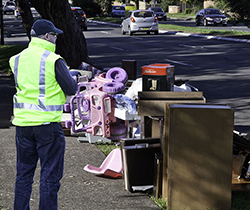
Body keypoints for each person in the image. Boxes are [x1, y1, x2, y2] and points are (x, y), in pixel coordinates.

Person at [9, 19, 78, 210]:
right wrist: (76, 78)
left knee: (23, 175)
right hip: (48, 125)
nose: (56, 38)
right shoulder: (53, 60)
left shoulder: (16, 59)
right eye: (54, 35)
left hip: (23, 125)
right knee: (49, 176)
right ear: (46, 36)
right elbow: (71, 88)